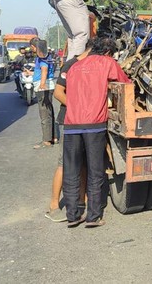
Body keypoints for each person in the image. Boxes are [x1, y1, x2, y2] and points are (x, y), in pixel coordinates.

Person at [54, 34, 129, 227]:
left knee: (72, 170)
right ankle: (94, 216)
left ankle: (73, 215)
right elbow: (125, 83)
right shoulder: (107, 62)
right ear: (107, 52)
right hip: (94, 124)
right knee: (95, 170)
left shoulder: (75, 66)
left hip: (71, 125)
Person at [44, 43, 92, 222]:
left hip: (85, 121)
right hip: (68, 120)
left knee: (84, 163)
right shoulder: (70, 65)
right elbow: (58, 93)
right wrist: (78, 108)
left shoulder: (91, 66)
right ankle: (54, 204)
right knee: (64, 163)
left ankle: (82, 200)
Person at [29, 38, 56, 149]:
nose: (32, 49)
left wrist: (42, 84)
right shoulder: (47, 57)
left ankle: (46, 141)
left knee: (44, 114)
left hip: (43, 88)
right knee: (49, 113)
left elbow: (44, 70)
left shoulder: (42, 59)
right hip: (47, 87)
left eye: (32, 47)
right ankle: (53, 137)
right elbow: (41, 71)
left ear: (35, 47)